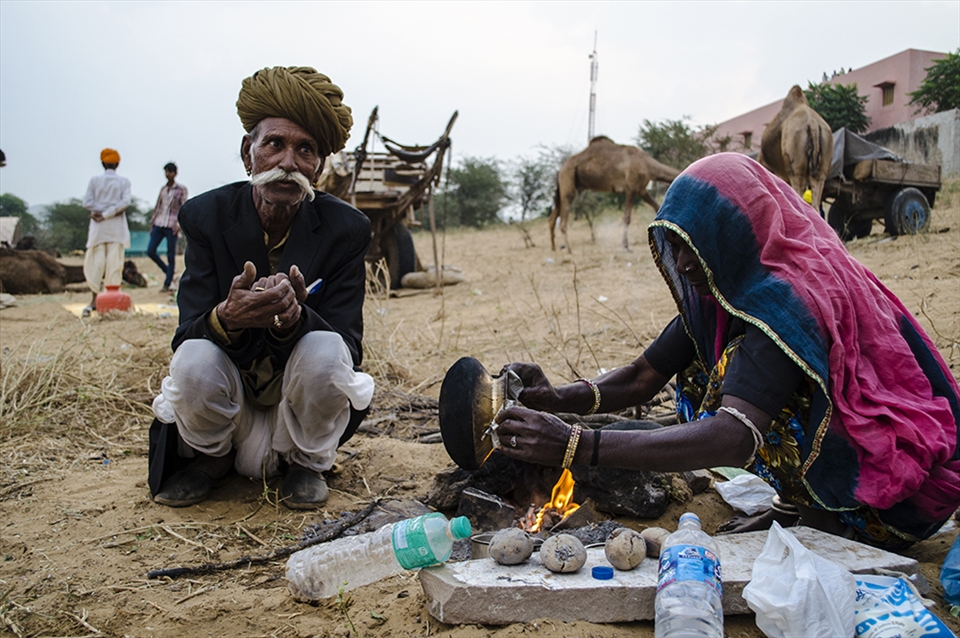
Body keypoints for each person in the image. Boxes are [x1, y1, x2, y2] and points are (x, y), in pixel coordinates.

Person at [495, 153, 960, 550]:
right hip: (852, 466)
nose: (682, 263)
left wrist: (575, 445)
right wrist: (557, 398)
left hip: (896, 501)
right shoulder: (728, 287)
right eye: (675, 248)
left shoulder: (789, 298)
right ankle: (800, 506)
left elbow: (732, 437)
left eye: (692, 246)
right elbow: (642, 377)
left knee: (737, 388)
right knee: (711, 367)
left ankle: (836, 517)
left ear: (733, 232)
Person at [148, 66, 374, 510]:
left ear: (319, 167)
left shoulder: (346, 229)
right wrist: (225, 318)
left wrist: (295, 322)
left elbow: (349, 345)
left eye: (305, 149)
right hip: (228, 405)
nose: (288, 162)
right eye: (274, 144)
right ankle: (211, 458)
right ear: (247, 153)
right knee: (192, 358)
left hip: (296, 414)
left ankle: (306, 464)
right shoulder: (206, 216)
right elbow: (186, 334)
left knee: (328, 350)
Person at [81, 148, 131, 317]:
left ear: (103, 163)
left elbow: (87, 202)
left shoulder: (95, 180)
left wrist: (101, 213)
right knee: (114, 264)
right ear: (117, 164)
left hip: (99, 228)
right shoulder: (124, 182)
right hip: (116, 228)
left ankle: (94, 300)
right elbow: (125, 202)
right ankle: (111, 301)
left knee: (96, 263)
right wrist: (109, 212)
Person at [147, 162, 188, 292]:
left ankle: (167, 283)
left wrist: (179, 224)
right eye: (166, 172)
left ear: (175, 173)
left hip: (172, 225)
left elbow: (184, 208)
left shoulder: (181, 190)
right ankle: (168, 272)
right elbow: (158, 207)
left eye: (170, 172)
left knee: (171, 255)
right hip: (159, 223)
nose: (168, 174)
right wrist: (152, 223)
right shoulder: (163, 190)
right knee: (150, 251)